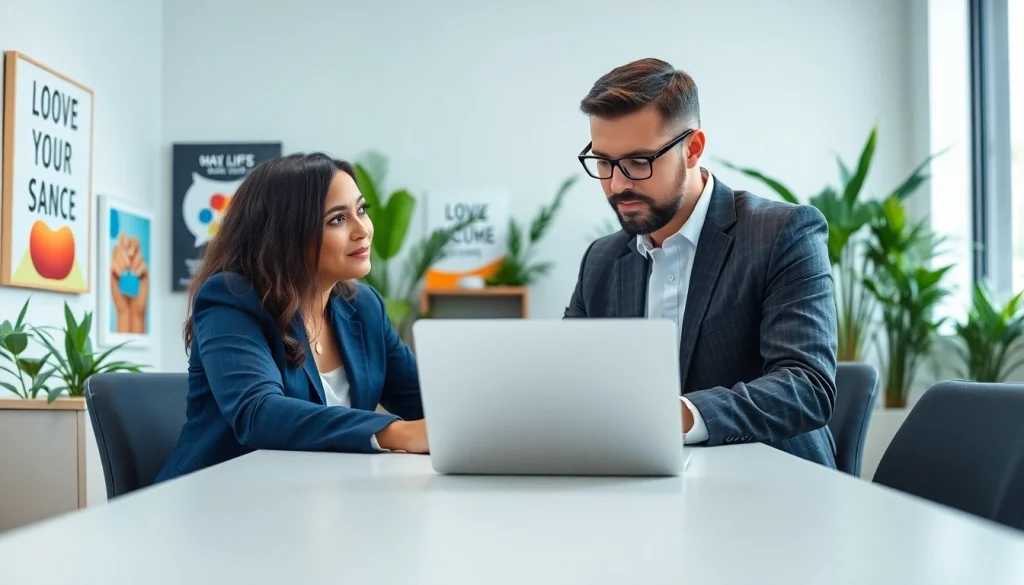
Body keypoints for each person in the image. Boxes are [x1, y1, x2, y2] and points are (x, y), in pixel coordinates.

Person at [565, 58, 838, 468]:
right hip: (636, 486)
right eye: (604, 163)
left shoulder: (782, 233)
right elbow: (569, 380)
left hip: (773, 488)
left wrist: (676, 416)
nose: (618, 184)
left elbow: (806, 386)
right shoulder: (601, 260)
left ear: (692, 149)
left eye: (639, 162)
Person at [155, 153, 427, 483]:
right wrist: (393, 433)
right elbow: (259, 414)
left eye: (361, 210)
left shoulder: (364, 307)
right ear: (287, 235)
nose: (362, 230)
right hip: (217, 500)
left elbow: (427, 401)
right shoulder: (231, 298)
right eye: (337, 220)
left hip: (315, 499)